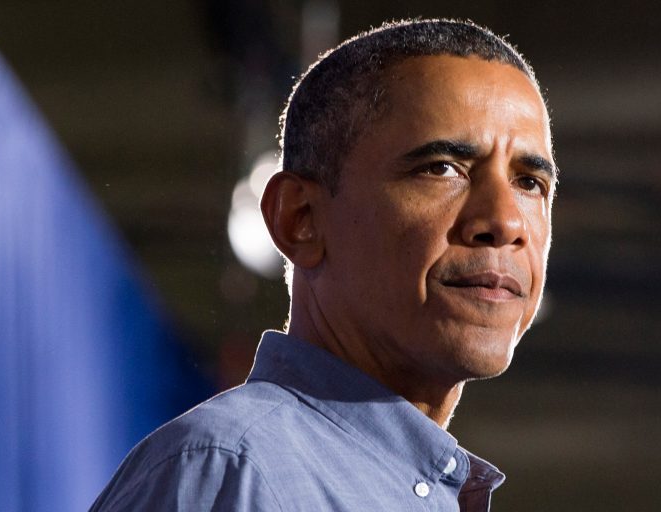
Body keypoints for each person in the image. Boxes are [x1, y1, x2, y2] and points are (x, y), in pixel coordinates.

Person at [91, 18, 557, 512]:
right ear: (300, 219)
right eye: (441, 167)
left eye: (529, 182)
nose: (506, 221)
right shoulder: (229, 473)